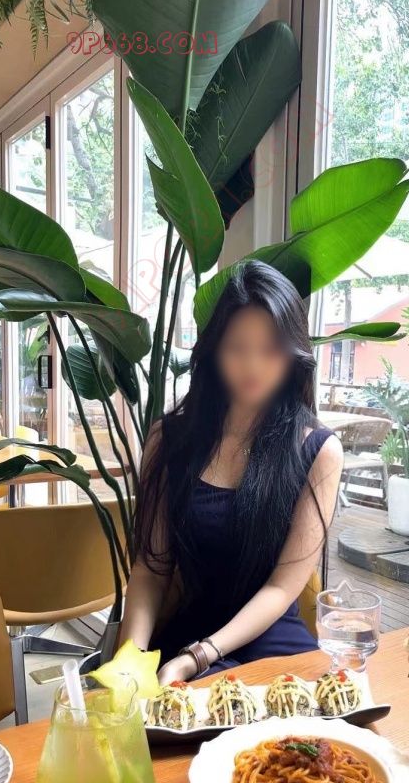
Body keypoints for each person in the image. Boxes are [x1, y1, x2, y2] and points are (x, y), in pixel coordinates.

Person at [120, 260, 343, 685]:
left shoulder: (318, 451)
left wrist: (200, 656)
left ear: (293, 355)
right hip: (187, 640)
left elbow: (282, 588)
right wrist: (129, 663)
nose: (252, 365)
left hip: (272, 652)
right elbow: (151, 569)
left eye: (271, 350)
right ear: (214, 350)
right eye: (237, 348)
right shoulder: (169, 440)